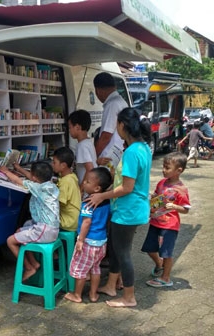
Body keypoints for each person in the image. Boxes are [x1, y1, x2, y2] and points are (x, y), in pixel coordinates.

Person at [85, 107, 152, 308]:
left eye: (117, 125)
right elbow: (129, 179)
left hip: (128, 211)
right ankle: (111, 286)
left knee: (123, 254)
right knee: (116, 250)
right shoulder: (143, 147)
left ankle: (129, 297)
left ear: (123, 125)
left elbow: (127, 187)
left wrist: (101, 196)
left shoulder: (132, 152)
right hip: (130, 209)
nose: (116, 128)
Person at [0, 162, 60, 281]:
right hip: (50, 228)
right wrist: (19, 168)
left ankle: (28, 268)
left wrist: (6, 172)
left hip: (44, 231)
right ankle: (34, 263)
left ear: (34, 178)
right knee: (19, 231)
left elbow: (19, 181)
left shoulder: (38, 188)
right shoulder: (51, 185)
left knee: (10, 241)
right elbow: (30, 177)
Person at [142, 152, 190, 288]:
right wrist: (152, 199)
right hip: (155, 222)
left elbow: (186, 209)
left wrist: (175, 206)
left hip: (170, 226)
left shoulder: (181, 190)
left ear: (179, 170)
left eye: (167, 168)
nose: (163, 170)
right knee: (149, 248)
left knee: (166, 253)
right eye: (163, 166)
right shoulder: (161, 183)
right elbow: (156, 197)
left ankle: (166, 278)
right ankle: (159, 264)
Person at [64, 167, 112, 303]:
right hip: (101, 242)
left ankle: (77, 295)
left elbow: (86, 222)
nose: (84, 183)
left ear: (97, 188)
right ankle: (93, 294)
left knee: (80, 269)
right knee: (95, 268)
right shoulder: (107, 202)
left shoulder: (88, 203)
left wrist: (80, 240)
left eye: (87, 182)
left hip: (88, 242)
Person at [93, 72, 128, 171]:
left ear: (98, 90)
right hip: (118, 154)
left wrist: (94, 156)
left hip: (109, 156)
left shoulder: (112, 104)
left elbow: (106, 136)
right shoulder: (121, 101)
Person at [50, 147, 81, 232]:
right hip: (75, 219)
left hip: (68, 222)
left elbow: (59, 203)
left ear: (63, 165)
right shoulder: (72, 176)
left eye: (54, 162)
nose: (52, 164)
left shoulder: (66, 182)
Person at [68, 110, 98, 191]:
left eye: (70, 127)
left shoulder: (82, 146)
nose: (69, 130)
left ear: (77, 127)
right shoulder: (88, 142)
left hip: (87, 189)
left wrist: (81, 189)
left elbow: (89, 168)